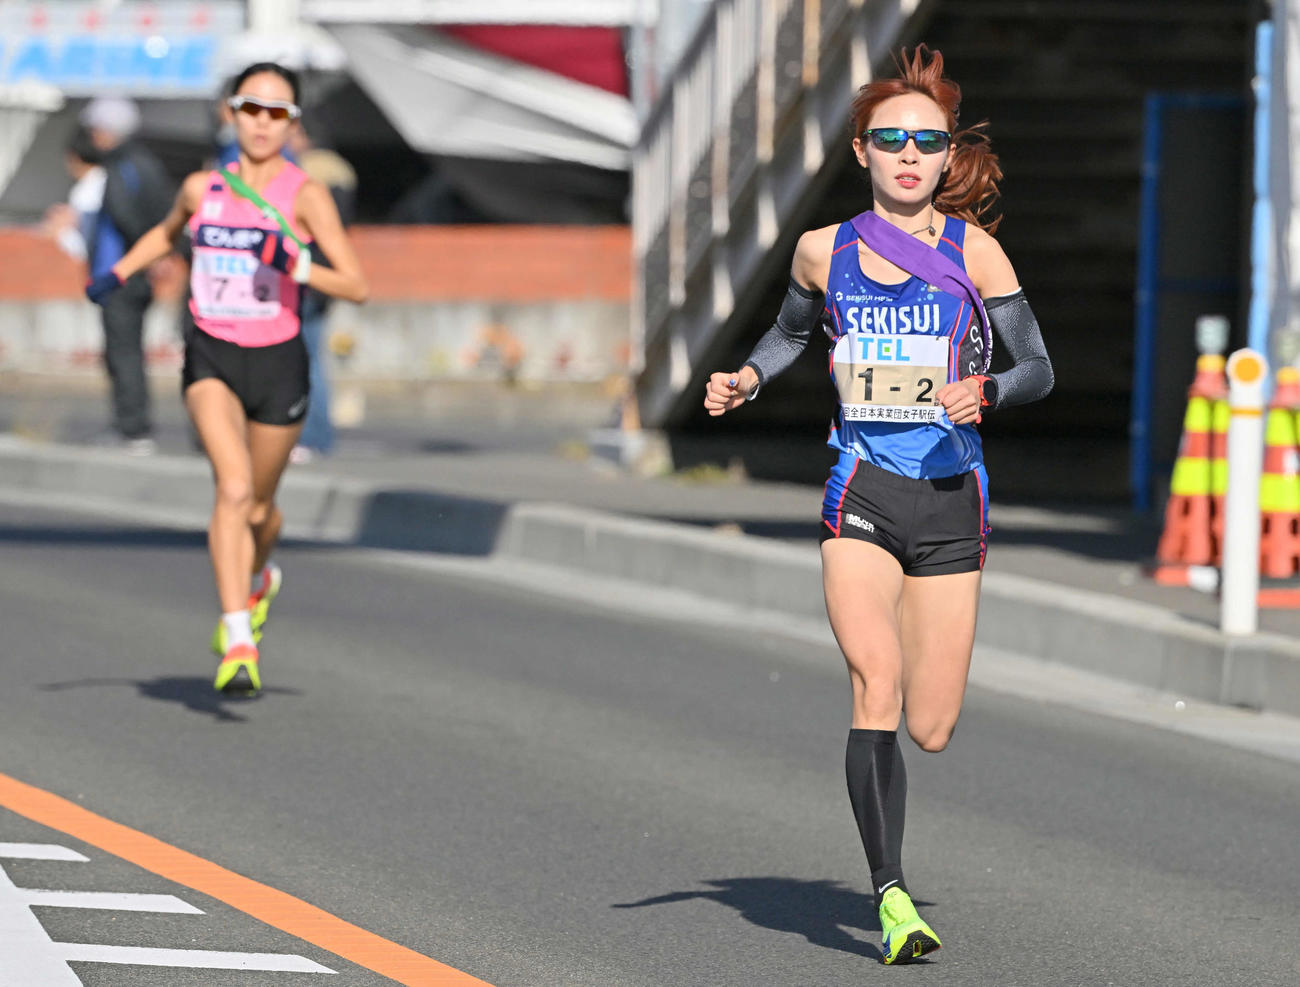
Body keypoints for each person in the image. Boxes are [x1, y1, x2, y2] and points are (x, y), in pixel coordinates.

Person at [703, 46, 1053, 965]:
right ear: (861, 150)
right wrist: (745, 375)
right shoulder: (826, 249)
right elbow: (786, 337)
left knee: (931, 725)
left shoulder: (974, 251)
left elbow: (1040, 368)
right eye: (890, 138)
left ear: (946, 158)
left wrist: (988, 392)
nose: (908, 154)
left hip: (949, 499)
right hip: (860, 489)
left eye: (926, 142)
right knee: (876, 682)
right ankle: (892, 895)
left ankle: (896, 866)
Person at [85, 62, 369, 693]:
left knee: (262, 510)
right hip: (211, 352)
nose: (263, 123)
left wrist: (294, 266)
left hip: (278, 360)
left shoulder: (307, 194)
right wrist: (116, 274)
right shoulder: (200, 189)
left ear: (292, 123)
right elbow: (164, 236)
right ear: (230, 113)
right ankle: (238, 635)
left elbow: (357, 284)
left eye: (278, 113)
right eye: (251, 108)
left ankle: (261, 577)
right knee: (233, 489)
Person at [81, 97, 174, 454]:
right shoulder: (146, 163)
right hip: (132, 274)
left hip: (121, 274)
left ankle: (132, 427)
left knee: (123, 352)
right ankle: (131, 425)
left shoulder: (123, 166)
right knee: (128, 349)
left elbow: (126, 216)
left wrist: (143, 256)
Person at [284, 121, 358, 462]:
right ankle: (315, 436)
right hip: (324, 277)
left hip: (305, 276)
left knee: (305, 361)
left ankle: (311, 436)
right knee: (312, 360)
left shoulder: (305, 174)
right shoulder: (339, 170)